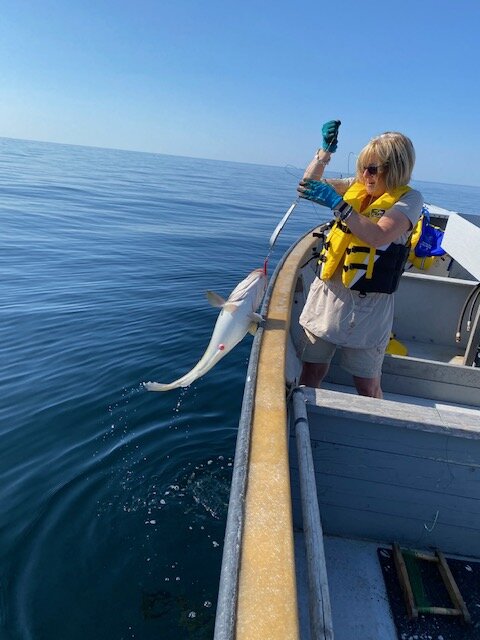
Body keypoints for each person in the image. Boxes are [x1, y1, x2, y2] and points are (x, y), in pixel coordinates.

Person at [297, 120, 423, 398]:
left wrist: (339, 205)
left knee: (367, 385)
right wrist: (324, 153)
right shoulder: (356, 185)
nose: (365, 174)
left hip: (369, 308)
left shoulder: (410, 200)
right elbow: (308, 185)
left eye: (373, 168)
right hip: (327, 296)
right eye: (363, 166)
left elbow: (379, 236)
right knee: (311, 372)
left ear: (396, 168)